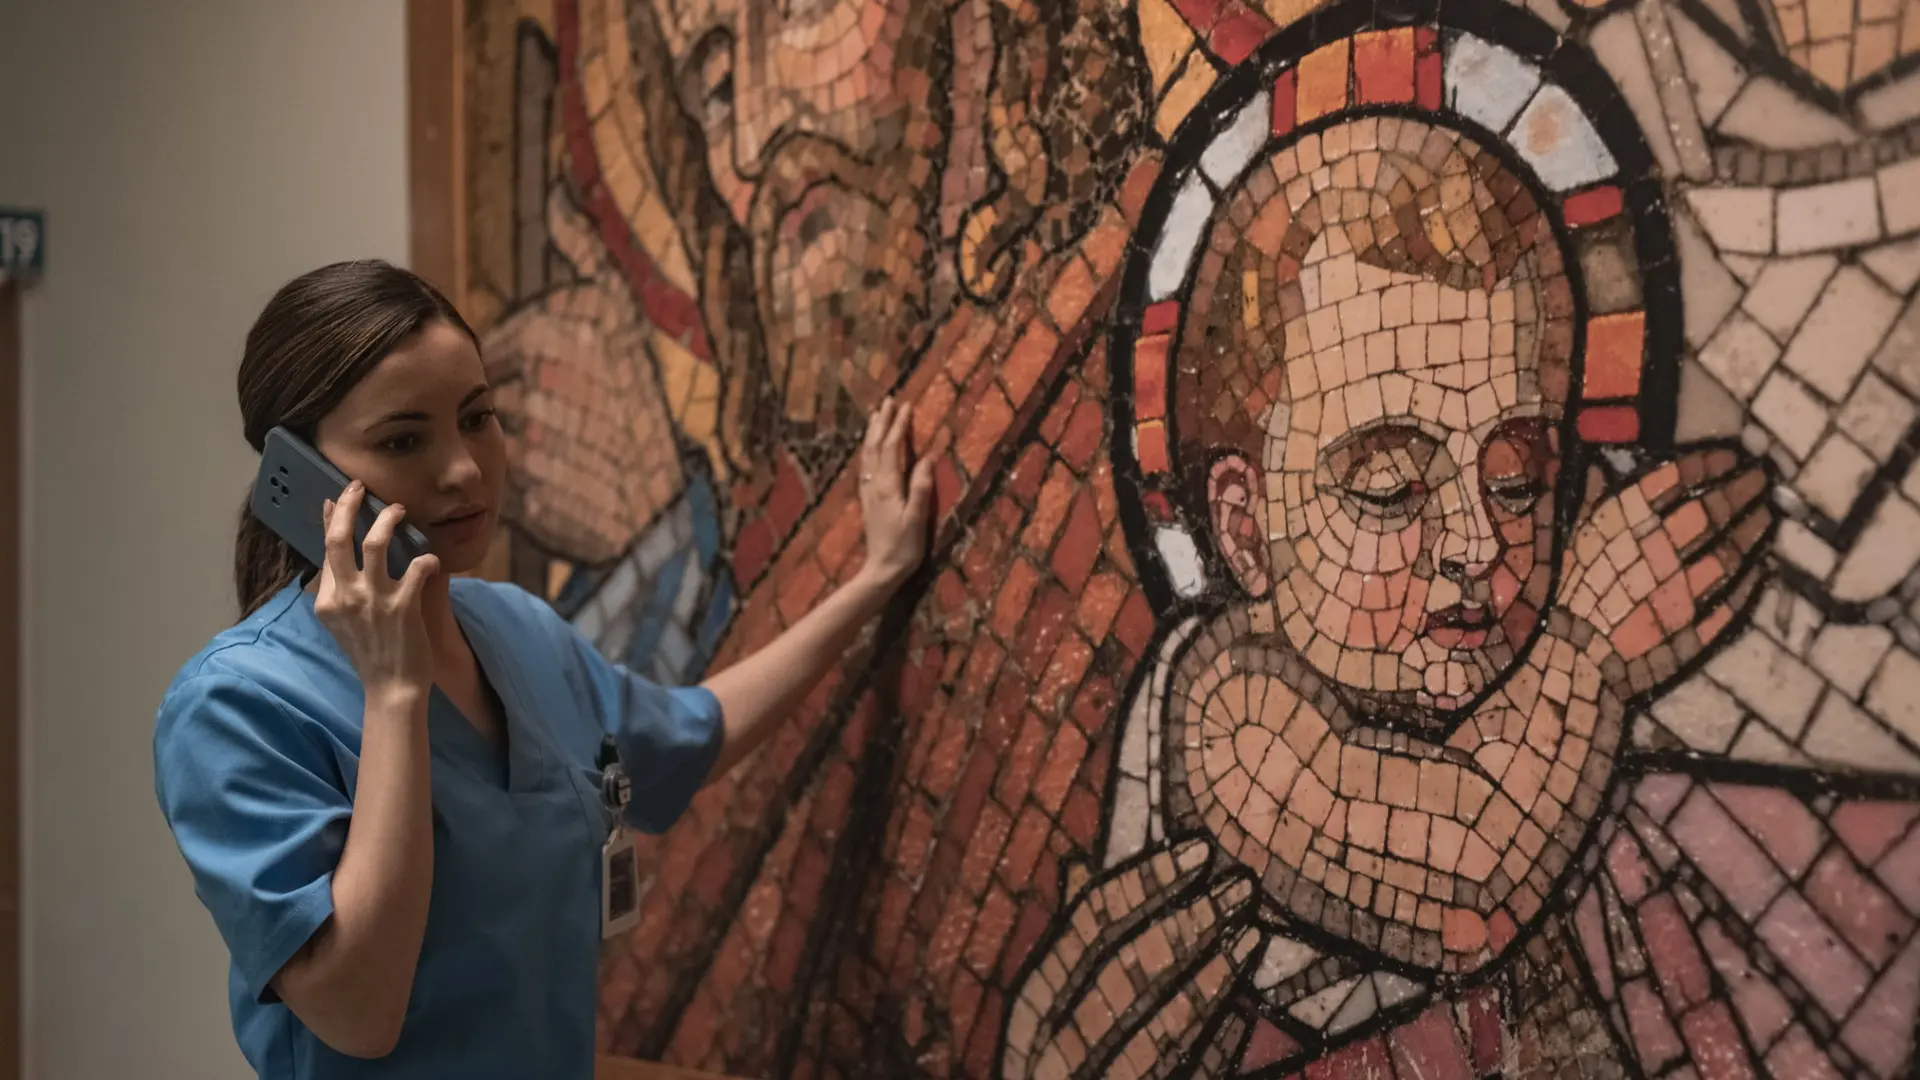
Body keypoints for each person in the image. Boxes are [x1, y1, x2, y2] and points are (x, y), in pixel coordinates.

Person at [151, 258, 934, 1079]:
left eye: (478, 418)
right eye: (402, 440)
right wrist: (394, 692)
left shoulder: (515, 630)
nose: (464, 469)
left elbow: (698, 732)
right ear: (299, 474)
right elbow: (359, 1014)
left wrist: (875, 579)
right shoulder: (235, 705)